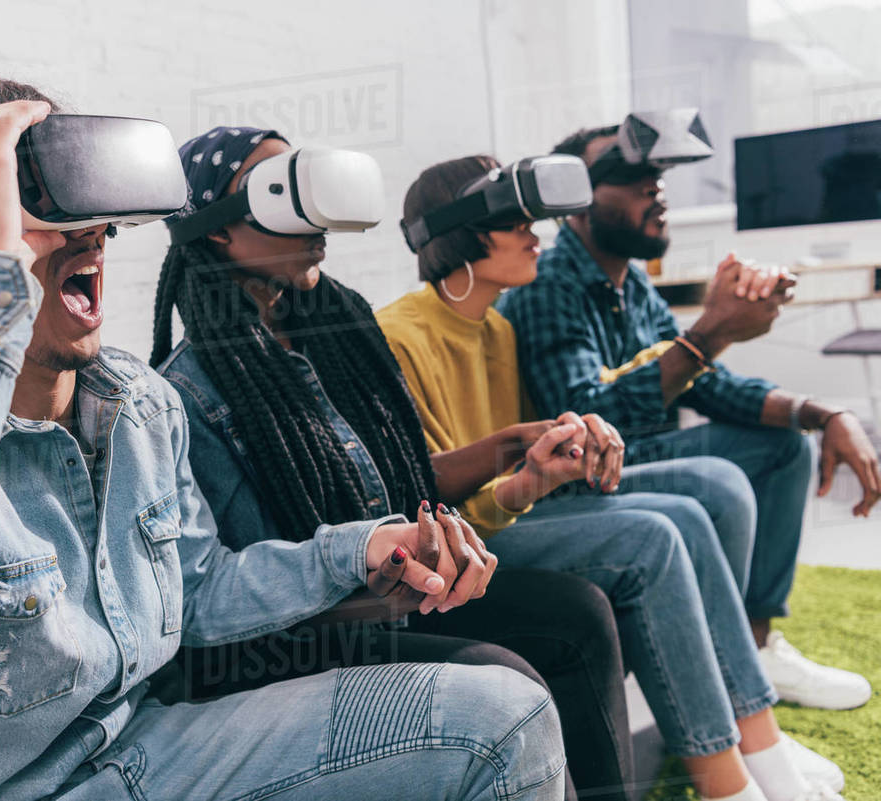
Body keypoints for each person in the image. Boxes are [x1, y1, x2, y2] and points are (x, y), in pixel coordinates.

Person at [0, 66, 567, 801]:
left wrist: (359, 550)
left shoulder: (140, 403)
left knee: (502, 715)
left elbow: (198, 589)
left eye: (85, 207)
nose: (90, 234)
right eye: (27, 212)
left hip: (155, 749)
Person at [153, 127, 634, 801]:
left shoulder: (338, 331)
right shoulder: (189, 394)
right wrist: (370, 577)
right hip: (305, 639)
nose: (311, 215)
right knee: (502, 673)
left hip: (393, 602)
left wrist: (518, 443)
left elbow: (407, 476)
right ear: (216, 230)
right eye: (278, 191)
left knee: (576, 613)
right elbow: (224, 594)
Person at [378, 155, 848, 801]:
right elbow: (430, 504)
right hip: (470, 544)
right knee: (653, 535)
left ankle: (759, 743)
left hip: (514, 514)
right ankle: (728, 784)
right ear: (461, 233)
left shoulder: (498, 328)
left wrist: (553, 461)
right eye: (515, 221)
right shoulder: (398, 335)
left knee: (686, 514)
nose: (536, 233)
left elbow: (539, 453)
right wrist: (531, 470)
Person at [497, 123, 877, 712]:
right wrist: (711, 332)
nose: (655, 188)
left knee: (785, 445)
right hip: (569, 480)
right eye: (629, 176)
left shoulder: (632, 280)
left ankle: (756, 645)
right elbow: (587, 423)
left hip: (637, 459)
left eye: (657, 174)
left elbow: (707, 384)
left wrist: (822, 412)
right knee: (718, 482)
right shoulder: (549, 285)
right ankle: (723, 662)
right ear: (576, 204)